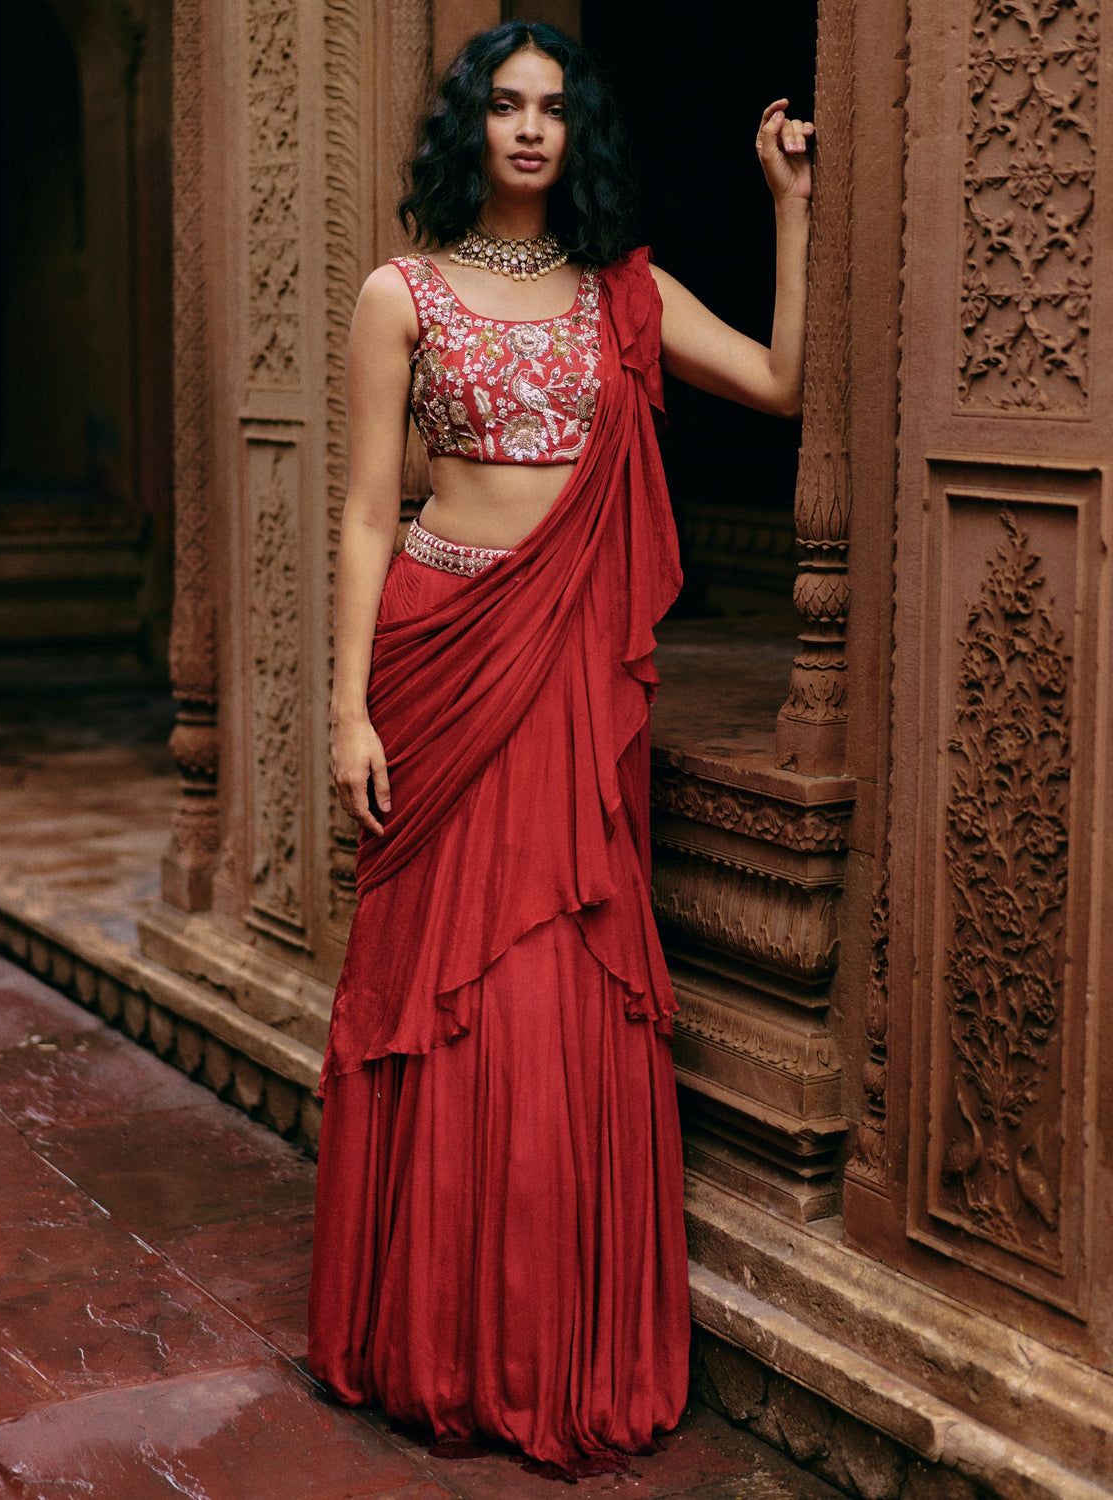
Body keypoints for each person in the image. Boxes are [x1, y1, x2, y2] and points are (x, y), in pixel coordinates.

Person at [307, 19, 812, 1480]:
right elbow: (359, 512)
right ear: (469, 127)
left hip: (572, 692)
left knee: (552, 995)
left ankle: (548, 1344)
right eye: (505, 107)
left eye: (555, 111)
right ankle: (426, 1336)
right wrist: (346, 707)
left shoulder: (624, 296)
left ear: (579, 136)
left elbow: (781, 384)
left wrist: (788, 207)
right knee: (433, 992)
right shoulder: (396, 293)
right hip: (439, 664)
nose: (530, 131)